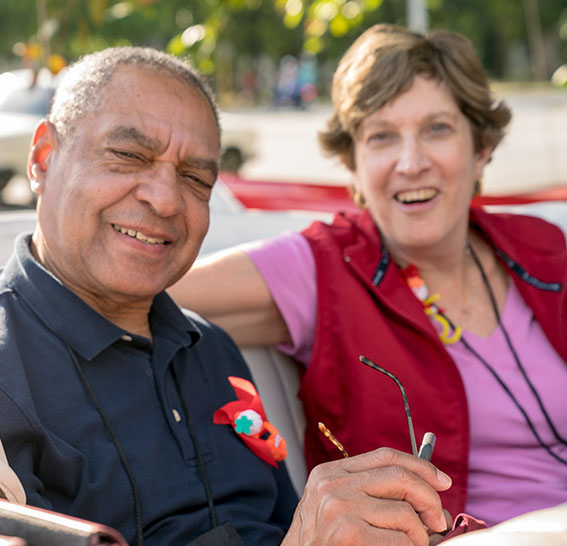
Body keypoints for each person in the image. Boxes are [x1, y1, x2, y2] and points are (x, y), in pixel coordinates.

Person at [0, 46, 453, 546]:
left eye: (196, 178)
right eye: (129, 155)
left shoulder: (211, 348)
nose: (166, 199)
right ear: (43, 158)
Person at [169, 24, 567, 528]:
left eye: (437, 129)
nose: (410, 162)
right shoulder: (323, 267)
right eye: (381, 137)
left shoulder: (543, 251)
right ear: (353, 165)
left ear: (481, 147)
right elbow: (142, 290)